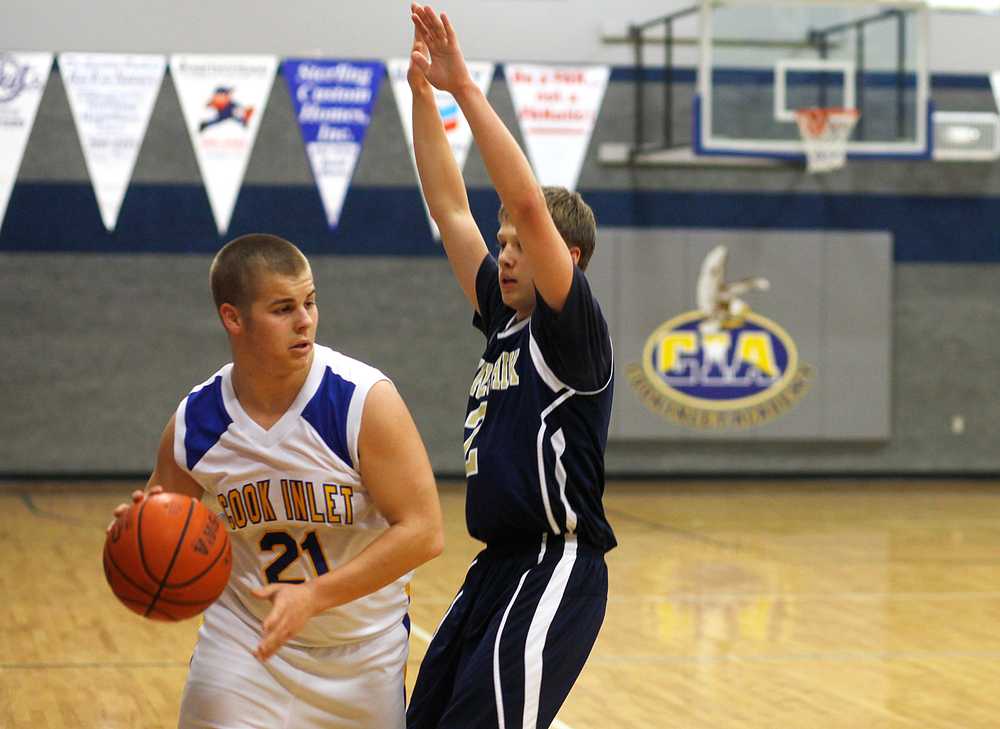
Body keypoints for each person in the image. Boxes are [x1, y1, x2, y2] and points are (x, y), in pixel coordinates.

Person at [109, 233, 444, 729]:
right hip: (245, 640)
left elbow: (424, 531)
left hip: (363, 650)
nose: (305, 319)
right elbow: (166, 517)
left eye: (309, 302)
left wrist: (313, 596)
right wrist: (136, 528)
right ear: (233, 318)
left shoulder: (361, 401)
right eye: (283, 308)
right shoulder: (196, 422)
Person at [404, 6, 616, 729]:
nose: (506, 251)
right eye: (505, 243)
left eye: (520, 242)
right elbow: (448, 207)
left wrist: (464, 86)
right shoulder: (503, 314)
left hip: (556, 564)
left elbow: (524, 200)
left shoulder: (572, 333)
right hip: (496, 566)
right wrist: (421, 94)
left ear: (571, 259)